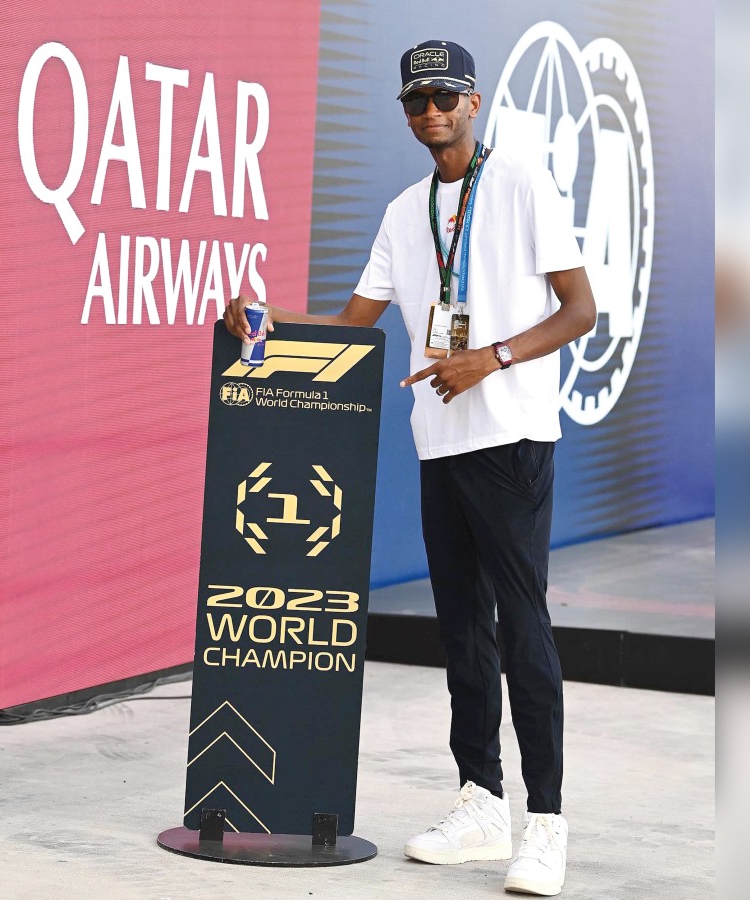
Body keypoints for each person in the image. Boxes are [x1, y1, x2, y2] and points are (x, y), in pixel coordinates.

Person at [223, 39, 596, 897]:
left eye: (444, 94)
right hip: (442, 441)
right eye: (415, 99)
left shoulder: (523, 184)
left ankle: (547, 823)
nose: (430, 109)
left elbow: (580, 310)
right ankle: (480, 801)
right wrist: (266, 318)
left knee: (522, 627)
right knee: (462, 628)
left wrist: (490, 358)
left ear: (474, 101)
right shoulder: (404, 210)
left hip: (511, 437)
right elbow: (356, 326)